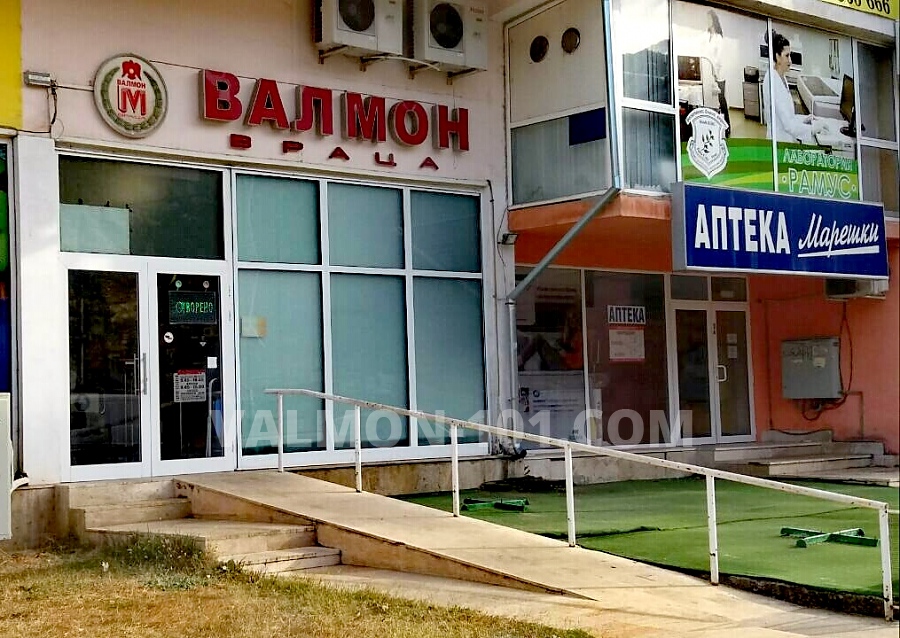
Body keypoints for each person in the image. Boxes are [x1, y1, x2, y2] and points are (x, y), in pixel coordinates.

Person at [763, 31, 816, 144]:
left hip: (784, 138)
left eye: (790, 55)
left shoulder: (781, 77)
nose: (790, 61)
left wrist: (804, 118)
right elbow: (788, 125)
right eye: (787, 56)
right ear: (777, 56)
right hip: (779, 142)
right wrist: (813, 129)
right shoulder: (773, 81)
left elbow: (788, 117)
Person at [706, 10, 730, 137]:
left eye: (709, 19)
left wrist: (715, 73)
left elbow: (718, 59)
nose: (707, 21)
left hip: (719, 73)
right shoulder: (707, 36)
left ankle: (727, 126)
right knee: (712, 100)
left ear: (714, 21)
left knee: (721, 99)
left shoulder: (718, 38)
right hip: (709, 73)